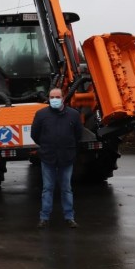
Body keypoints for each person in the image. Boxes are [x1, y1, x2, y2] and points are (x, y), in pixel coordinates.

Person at [31, 87, 83, 229]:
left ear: (63, 98)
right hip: (48, 157)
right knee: (47, 188)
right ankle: (44, 218)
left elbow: (78, 134)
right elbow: (34, 134)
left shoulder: (73, 115)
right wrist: (46, 145)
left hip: (67, 157)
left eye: (57, 97)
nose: (54, 99)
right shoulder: (41, 114)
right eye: (52, 97)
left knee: (66, 188)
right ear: (48, 98)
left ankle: (69, 217)